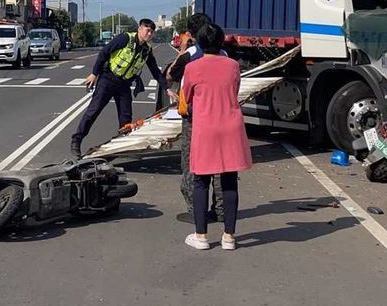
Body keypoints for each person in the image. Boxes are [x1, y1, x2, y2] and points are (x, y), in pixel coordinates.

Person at [180, 24, 252, 251]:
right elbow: (234, 91)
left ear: (199, 43)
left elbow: (187, 96)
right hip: (231, 126)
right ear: (222, 42)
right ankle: (229, 236)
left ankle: (201, 235)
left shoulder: (192, 67)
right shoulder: (233, 65)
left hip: (205, 127)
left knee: (201, 180)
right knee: (229, 181)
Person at [70, 19, 163, 158]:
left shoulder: (147, 50)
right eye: (147, 30)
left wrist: (167, 89)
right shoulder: (125, 38)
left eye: (152, 32)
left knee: (126, 117)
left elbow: (155, 71)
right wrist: (94, 74)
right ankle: (76, 140)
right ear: (139, 29)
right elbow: (104, 52)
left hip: (124, 84)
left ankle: (122, 146)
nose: (149, 34)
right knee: (94, 110)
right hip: (108, 79)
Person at [165, 13, 226, 224]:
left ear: (191, 34)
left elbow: (170, 75)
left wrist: (182, 48)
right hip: (220, 115)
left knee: (192, 163)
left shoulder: (189, 56)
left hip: (195, 117)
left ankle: (194, 210)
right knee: (219, 165)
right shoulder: (225, 55)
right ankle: (220, 210)